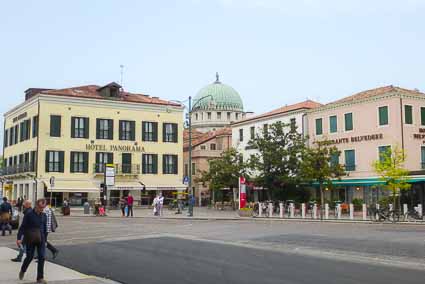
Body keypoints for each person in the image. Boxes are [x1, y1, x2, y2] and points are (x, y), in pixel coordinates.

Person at [17, 198, 48, 284]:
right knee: (29, 257)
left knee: (42, 257)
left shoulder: (44, 215)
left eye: (43, 207)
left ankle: (40, 278)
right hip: (30, 238)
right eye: (41, 207)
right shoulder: (29, 214)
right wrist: (19, 238)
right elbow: (22, 227)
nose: (42, 209)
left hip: (41, 239)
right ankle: (23, 270)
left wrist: (45, 240)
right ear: (36, 206)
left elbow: (45, 229)